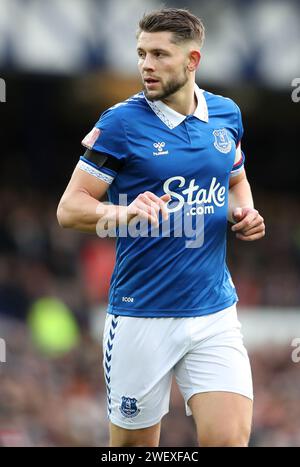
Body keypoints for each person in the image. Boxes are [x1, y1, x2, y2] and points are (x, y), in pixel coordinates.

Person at [57, 8, 265, 447]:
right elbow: (70, 209)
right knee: (135, 449)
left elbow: (236, 180)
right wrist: (123, 211)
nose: (146, 65)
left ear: (193, 61)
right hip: (141, 314)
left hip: (214, 312)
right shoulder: (120, 123)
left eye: (159, 55)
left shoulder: (226, 115)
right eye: (140, 54)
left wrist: (243, 212)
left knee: (229, 440)